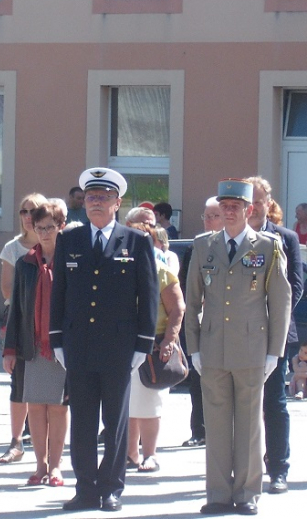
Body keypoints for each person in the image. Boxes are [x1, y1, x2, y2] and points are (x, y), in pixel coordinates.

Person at [50, 167, 158, 513]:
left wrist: (143, 344)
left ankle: (111, 487)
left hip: (118, 346)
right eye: (91, 197)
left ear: (118, 203)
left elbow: (149, 295)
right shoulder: (69, 239)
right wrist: (56, 339)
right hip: (78, 344)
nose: (96, 203)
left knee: (115, 422)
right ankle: (85, 488)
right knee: (82, 421)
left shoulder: (137, 241)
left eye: (104, 197)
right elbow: (59, 293)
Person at [185, 178, 291, 516]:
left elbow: (281, 300)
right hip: (213, 347)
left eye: (236, 207)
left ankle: (246, 494)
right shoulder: (204, 246)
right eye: (224, 207)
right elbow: (192, 299)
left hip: (251, 347)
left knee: (248, 425)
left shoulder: (268, 246)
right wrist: (195, 349)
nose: (229, 212)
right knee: (215, 424)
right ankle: (217, 493)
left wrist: (275, 351)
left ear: (250, 209)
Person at [3, 202, 68, 487]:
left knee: (57, 408)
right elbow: (16, 309)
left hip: (61, 347)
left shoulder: (71, 260)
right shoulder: (25, 263)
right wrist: (9, 349)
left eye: (49, 227)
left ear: (60, 227)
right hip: (32, 347)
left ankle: (56, 466)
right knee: (36, 408)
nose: (43, 233)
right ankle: (40, 465)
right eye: (38, 227)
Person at [246, 176, 303, 495]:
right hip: (237, 334)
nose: (252, 206)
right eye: (247, 200)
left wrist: (271, 320)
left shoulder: (286, 237)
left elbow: (295, 285)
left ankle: (278, 468)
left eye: (258, 200)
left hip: (274, 335)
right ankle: (242, 469)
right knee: (239, 405)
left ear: (268, 203)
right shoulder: (229, 237)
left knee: (274, 404)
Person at [124, 221, 185, 474]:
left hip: (155, 344)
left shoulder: (161, 271)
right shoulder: (119, 269)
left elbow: (177, 308)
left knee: (149, 403)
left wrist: (169, 340)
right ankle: (129, 454)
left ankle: (150, 455)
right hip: (123, 343)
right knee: (127, 405)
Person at [0, 192, 47, 464]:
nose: (29, 217)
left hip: (48, 323)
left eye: (35, 211)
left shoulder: (55, 244)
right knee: (18, 383)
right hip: (19, 319)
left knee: (51, 385)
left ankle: (48, 444)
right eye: (24, 212)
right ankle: (16, 442)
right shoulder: (12, 248)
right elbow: (7, 289)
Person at [181, 196, 224, 448]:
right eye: (206, 216)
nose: (209, 221)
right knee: (198, 382)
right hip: (202, 324)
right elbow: (188, 288)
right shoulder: (195, 247)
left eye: (214, 216)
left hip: (230, 326)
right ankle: (199, 430)